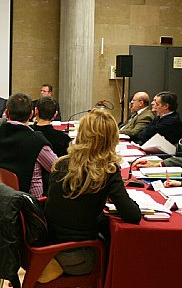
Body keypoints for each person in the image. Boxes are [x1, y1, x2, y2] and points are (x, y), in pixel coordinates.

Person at [45, 109, 140, 275]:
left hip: (48, 245)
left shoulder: (61, 163)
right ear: (111, 140)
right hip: (81, 255)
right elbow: (132, 215)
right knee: (119, 247)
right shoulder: (107, 170)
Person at [0, 93, 57, 198]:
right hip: (32, 202)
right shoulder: (36, 141)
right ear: (31, 114)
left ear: (6, 113)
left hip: (3, 198)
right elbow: (57, 168)